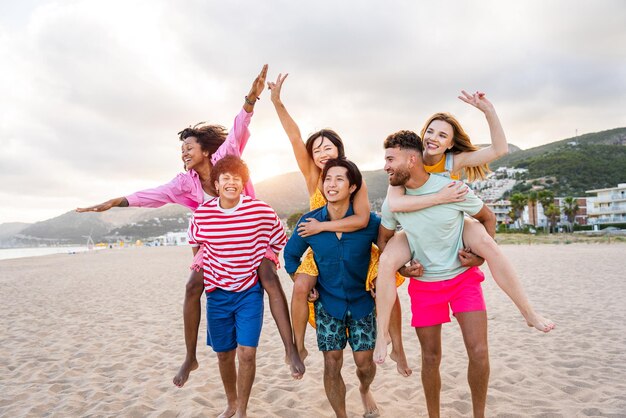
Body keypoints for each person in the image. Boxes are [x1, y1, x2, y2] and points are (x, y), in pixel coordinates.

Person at [76, 65, 305, 384]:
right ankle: (190, 357)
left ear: (206, 150)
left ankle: (290, 349)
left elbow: (240, 127)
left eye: (189, 148)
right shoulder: (185, 182)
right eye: (182, 150)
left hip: (249, 233)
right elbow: (152, 195)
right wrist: (116, 201)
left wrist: (251, 98)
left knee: (267, 275)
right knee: (192, 285)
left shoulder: (226, 157)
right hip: (215, 242)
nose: (184, 153)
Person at [377, 91, 554, 342]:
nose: (433, 138)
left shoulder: (453, 161)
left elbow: (500, 149)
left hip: (453, 219)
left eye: (442, 135)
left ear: (450, 143)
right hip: (417, 225)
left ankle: (529, 313)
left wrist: (488, 111)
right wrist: (440, 198)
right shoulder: (406, 164)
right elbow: (395, 203)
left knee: (490, 247)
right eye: (430, 131)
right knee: (388, 261)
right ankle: (382, 334)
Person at [268, 73, 411, 377]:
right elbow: (294, 136)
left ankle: (396, 343)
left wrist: (321, 228)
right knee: (301, 285)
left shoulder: (350, 177)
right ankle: (297, 347)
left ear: (339, 150)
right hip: (321, 247)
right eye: (316, 149)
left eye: (327, 148)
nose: (321, 153)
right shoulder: (312, 175)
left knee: (382, 283)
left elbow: (361, 219)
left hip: (353, 242)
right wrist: (277, 102)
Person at [376, 130, 500, 417]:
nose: (385, 166)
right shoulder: (394, 201)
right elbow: (384, 241)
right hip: (425, 286)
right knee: (430, 358)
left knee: (479, 352)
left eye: (390, 159)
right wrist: (405, 270)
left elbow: (487, 217)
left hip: (462, 280)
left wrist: (479, 258)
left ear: (412, 159)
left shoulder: (451, 188)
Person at [189, 155, 287, 418]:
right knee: (224, 355)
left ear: (243, 184)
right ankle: (231, 403)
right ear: (217, 184)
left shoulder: (261, 211)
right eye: (226, 178)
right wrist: (202, 260)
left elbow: (279, 238)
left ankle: (242, 410)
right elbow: (197, 243)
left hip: (249, 292)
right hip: (217, 293)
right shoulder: (202, 214)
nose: (231, 182)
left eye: (237, 178)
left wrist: (267, 257)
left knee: (247, 353)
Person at [284, 158, 380, 418]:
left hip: (363, 304)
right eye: (327, 179)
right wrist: (300, 281)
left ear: (352, 188)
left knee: (365, 364)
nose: (331, 184)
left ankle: (364, 388)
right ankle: (342, 415)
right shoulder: (309, 222)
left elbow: (390, 249)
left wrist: (378, 275)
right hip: (328, 305)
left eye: (339, 179)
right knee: (331, 362)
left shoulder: (369, 222)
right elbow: (290, 257)